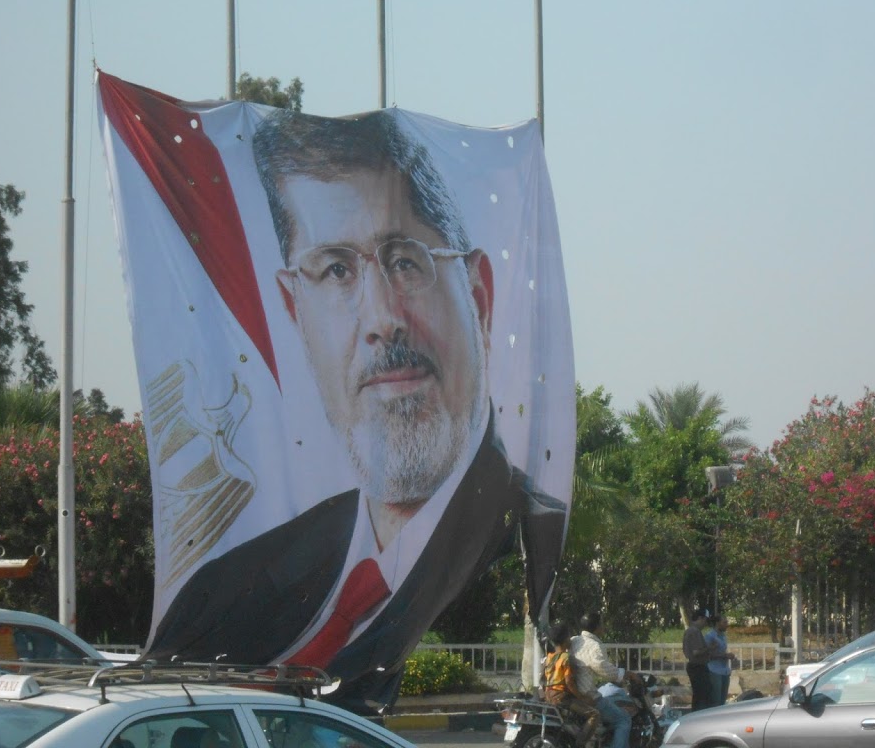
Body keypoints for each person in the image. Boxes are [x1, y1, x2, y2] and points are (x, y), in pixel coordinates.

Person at [144, 109, 567, 710]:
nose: (382, 319)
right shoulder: (224, 592)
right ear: (295, 312)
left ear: (478, 297)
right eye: (337, 270)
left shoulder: (529, 543)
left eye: (405, 261)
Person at [570, 612, 640, 748]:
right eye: (602, 623)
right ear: (597, 627)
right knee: (623, 719)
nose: (604, 626)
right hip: (588, 697)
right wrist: (626, 674)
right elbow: (603, 668)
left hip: (574, 695)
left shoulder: (574, 640)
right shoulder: (594, 646)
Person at [544, 623, 600, 748]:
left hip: (549, 697)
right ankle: (580, 744)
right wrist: (582, 697)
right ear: (565, 640)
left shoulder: (550, 657)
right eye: (569, 637)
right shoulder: (565, 658)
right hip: (562, 698)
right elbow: (569, 682)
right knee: (594, 714)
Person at [682, 610, 713, 711]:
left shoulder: (690, 631)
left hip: (695, 666)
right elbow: (696, 652)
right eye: (705, 620)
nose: (706, 623)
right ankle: (699, 714)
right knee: (702, 695)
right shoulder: (694, 631)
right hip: (697, 666)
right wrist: (710, 648)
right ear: (700, 618)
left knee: (699, 695)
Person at [705, 615, 736, 706]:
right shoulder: (710, 636)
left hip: (724, 670)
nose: (727, 625)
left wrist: (728, 655)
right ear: (717, 623)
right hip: (714, 670)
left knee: (723, 700)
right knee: (716, 700)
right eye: (724, 622)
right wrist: (725, 656)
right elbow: (707, 655)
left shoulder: (723, 636)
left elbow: (721, 651)